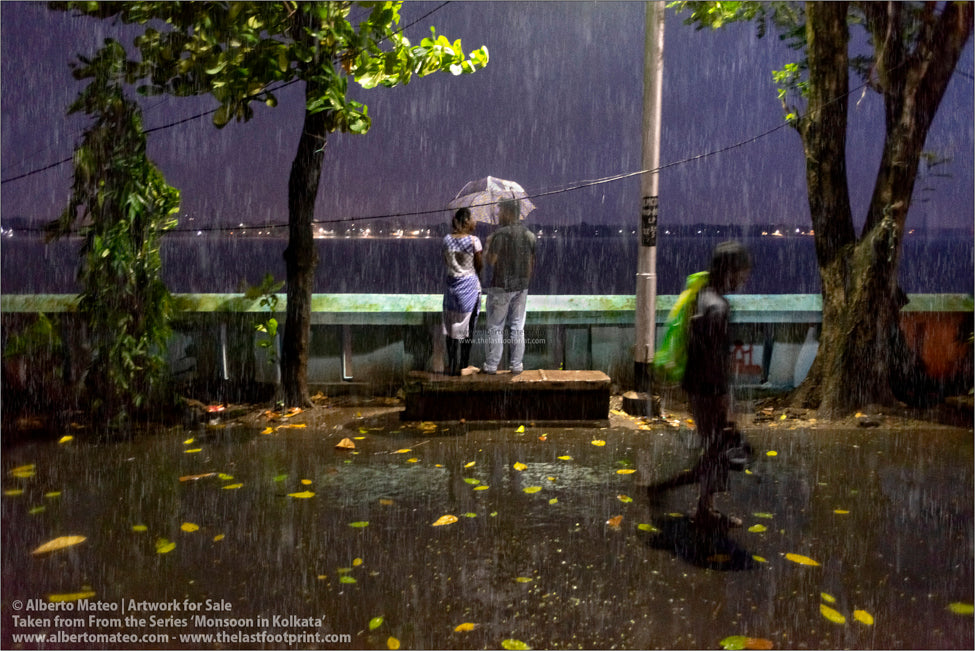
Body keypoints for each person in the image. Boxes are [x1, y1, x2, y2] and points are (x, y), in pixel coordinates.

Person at [649, 240, 752, 528]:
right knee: (716, 452)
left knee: (714, 451)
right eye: (742, 273)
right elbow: (713, 360)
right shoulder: (717, 307)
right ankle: (672, 492)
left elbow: (701, 352)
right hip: (709, 390)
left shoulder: (703, 296)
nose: (743, 279)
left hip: (697, 386)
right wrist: (723, 402)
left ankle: (702, 506)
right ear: (729, 272)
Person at [483, 199, 536, 375]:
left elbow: (490, 261)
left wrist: (488, 244)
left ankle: (491, 365)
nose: (498, 214)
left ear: (507, 212)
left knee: (496, 326)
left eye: (500, 211)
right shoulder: (529, 235)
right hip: (522, 287)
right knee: (517, 327)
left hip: (501, 287)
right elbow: (530, 265)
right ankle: (516, 365)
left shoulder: (500, 235)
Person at [441, 208, 483, 376]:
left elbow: (447, 262)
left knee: (451, 330)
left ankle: (451, 365)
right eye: (473, 219)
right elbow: (479, 266)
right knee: (468, 330)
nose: (476, 222)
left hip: (451, 289)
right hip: (470, 289)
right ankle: (464, 366)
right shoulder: (474, 241)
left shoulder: (446, 240)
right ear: (466, 222)